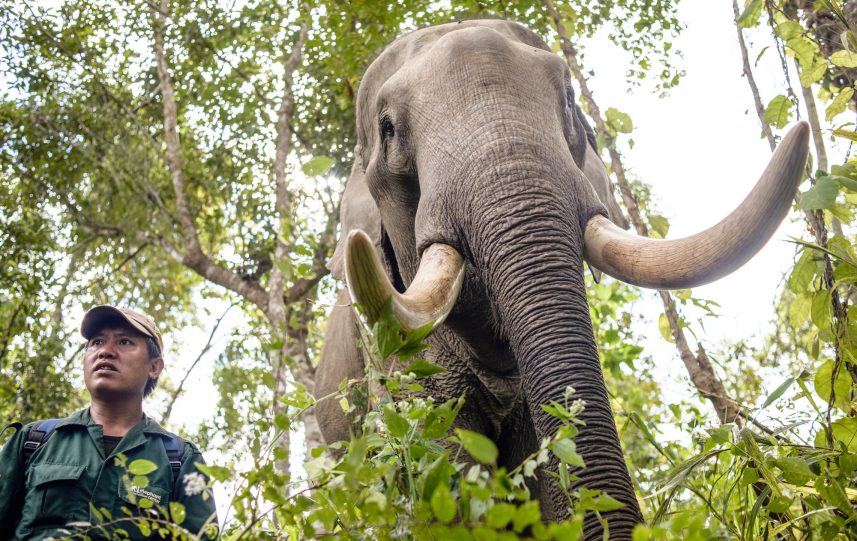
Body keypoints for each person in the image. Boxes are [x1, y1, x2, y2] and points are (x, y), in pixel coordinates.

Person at [0, 305, 218, 540]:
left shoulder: (179, 459)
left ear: (154, 367)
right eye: (96, 342)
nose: (106, 351)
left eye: (124, 342)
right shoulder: (33, 441)